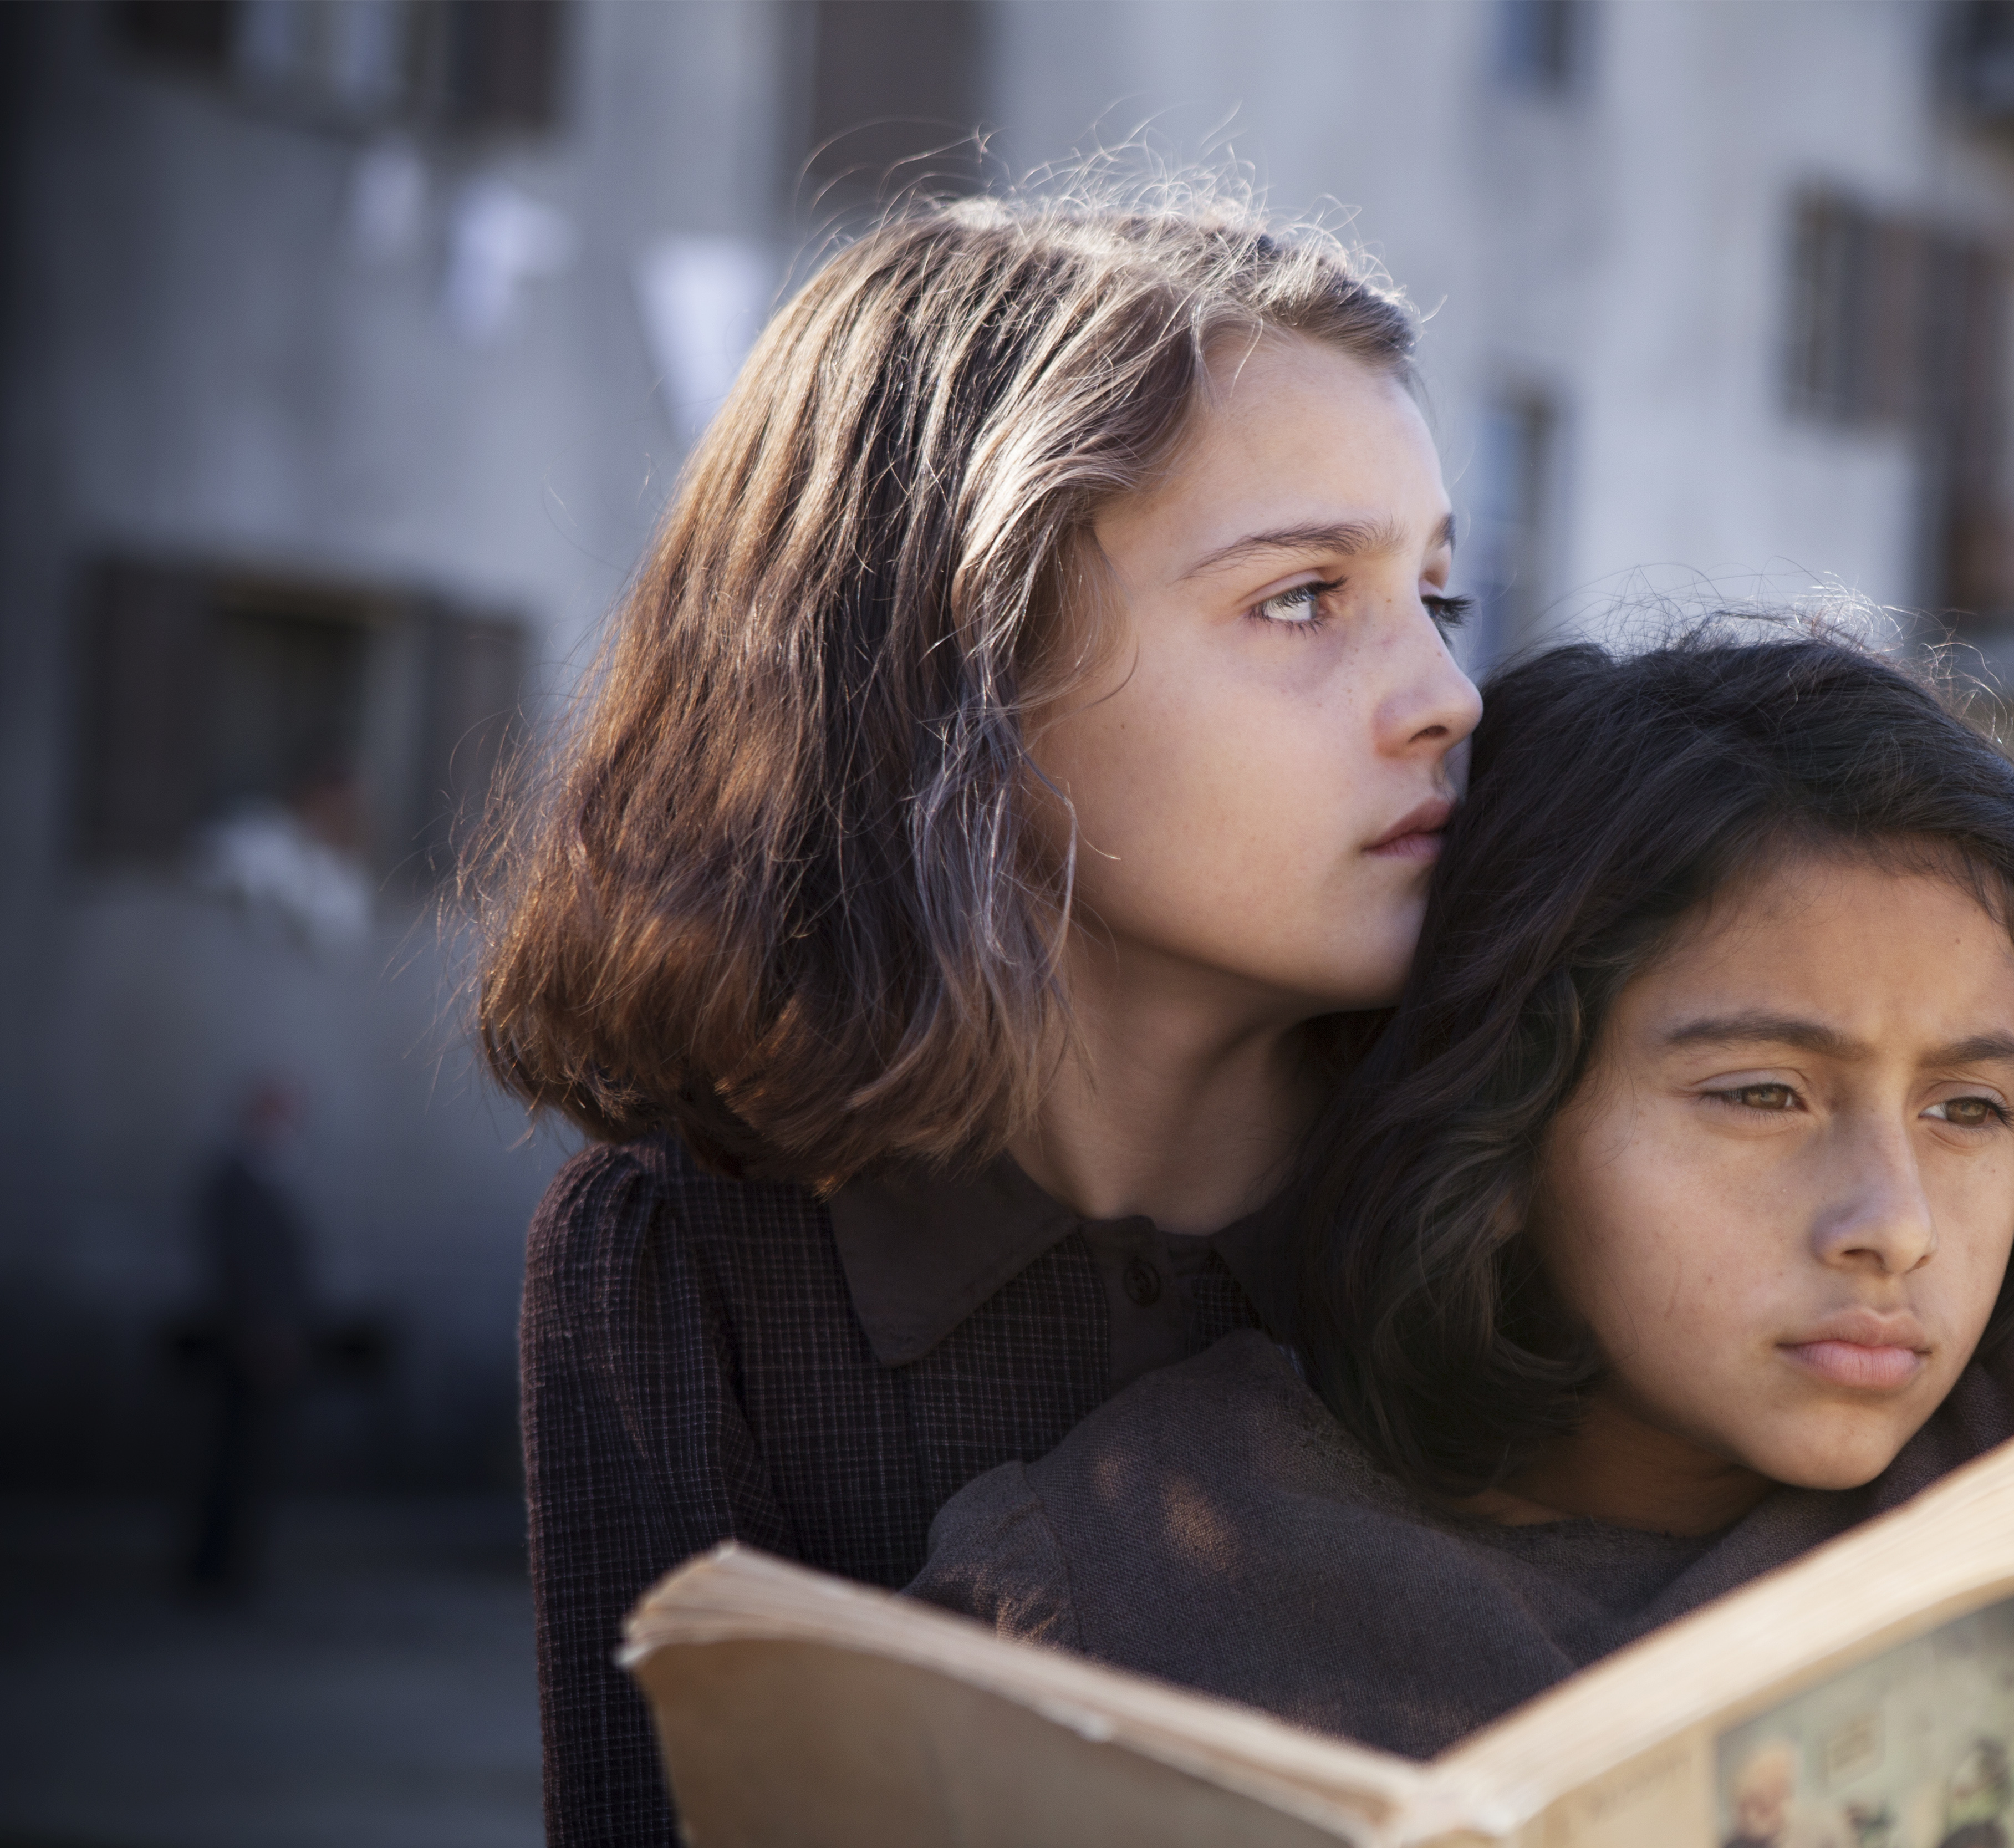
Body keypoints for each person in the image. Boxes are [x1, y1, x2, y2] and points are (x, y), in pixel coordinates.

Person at [916, 630, 2014, 1847]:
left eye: (1965, 1108)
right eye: (1762, 1095)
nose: (1890, 1226)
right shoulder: (1120, 1573)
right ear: (1496, 1126)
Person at [478, 187, 1481, 1843]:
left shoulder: (1531, 1154)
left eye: (1435, 598)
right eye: (1303, 597)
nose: (1444, 695)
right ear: (962, 667)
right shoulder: (675, 1266)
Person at [183, 1075, 319, 1591]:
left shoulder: (269, 1178)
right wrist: (261, 1331)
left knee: (252, 1459)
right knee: (232, 1457)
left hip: (269, 1341)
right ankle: (214, 1569)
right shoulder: (234, 1180)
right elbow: (237, 1266)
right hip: (246, 1344)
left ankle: (232, 1565)